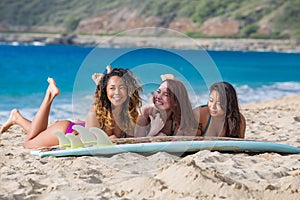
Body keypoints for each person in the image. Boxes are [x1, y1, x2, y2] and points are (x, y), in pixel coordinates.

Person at [0, 67, 142, 148]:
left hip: (79, 129)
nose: (117, 92)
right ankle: (49, 95)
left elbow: (130, 141)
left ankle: (16, 118)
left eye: (122, 87)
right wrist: (111, 138)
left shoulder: (130, 114)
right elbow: (91, 142)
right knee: (29, 143)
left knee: (39, 133)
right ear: (105, 91)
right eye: (112, 88)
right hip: (67, 132)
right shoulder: (96, 112)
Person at [135, 78, 199, 137]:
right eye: (158, 92)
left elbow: (178, 144)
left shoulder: (179, 119)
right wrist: (153, 132)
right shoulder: (145, 112)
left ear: (176, 101)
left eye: (166, 94)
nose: (159, 97)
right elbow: (137, 144)